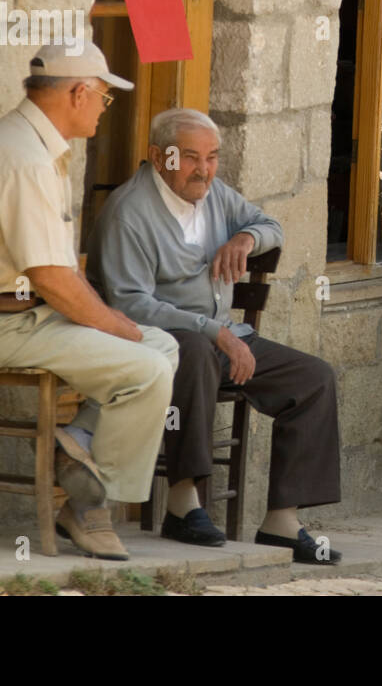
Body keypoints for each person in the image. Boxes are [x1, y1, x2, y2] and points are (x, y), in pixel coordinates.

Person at [0, 41, 179, 561]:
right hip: (1, 324)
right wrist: (120, 328)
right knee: (148, 365)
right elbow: (51, 277)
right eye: (103, 98)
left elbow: (58, 276)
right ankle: (90, 506)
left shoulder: (34, 146)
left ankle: (74, 447)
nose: (102, 108)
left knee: (163, 346)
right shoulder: (21, 155)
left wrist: (122, 327)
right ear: (77, 92)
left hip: (28, 316)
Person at [87, 108, 342, 563]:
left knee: (314, 378)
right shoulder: (129, 212)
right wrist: (212, 331)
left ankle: (281, 521)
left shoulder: (215, 195)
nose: (203, 170)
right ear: (157, 156)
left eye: (211, 157)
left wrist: (244, 239)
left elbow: (272, 226)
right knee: (197, 352)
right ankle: (183, 503)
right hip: (158, 341)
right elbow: (130, 303)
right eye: (189, 157)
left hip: (225, 336)